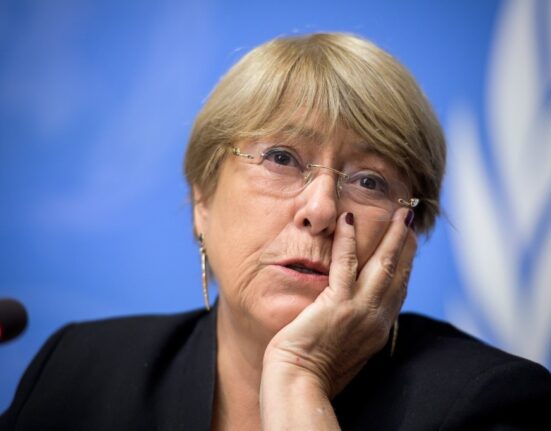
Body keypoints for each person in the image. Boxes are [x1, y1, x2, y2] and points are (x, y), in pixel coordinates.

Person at [1, 32, 550, 431]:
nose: (321, 209)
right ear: (202, 200)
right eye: (282, 158)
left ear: (409, 231)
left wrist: (299, 380)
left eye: (369, 181)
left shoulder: (486, 404)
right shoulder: (81, 368)